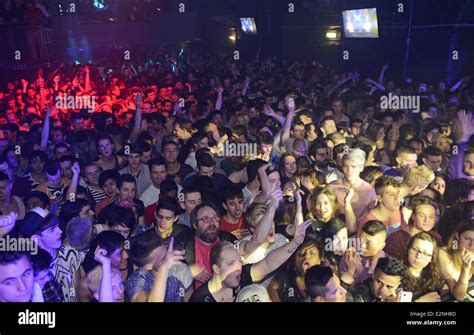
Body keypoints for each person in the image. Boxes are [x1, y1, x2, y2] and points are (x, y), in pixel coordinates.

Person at [189, 218, 311, 302]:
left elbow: (268, 263)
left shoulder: (242, 276)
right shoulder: (199, 298)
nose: (238, 267)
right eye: (231, 263)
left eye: (239, 261)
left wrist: (295, 243)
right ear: (216, 268)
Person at [124, 233, 193, 302]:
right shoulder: (135, 281)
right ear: (148, 266)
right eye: (163, 259)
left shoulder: (180, 269)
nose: (169, 258)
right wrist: (164, 268)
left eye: (167, 250)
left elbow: (189, 298)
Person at [328, 149, 376, 222]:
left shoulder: (369, 190)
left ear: (361, 168)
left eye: (353, 167)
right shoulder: (332, 187)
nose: (349, 170)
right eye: (346, 166)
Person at [340, 220, 387, 286]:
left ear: (382, 246)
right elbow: (343, 289)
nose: (362, 246)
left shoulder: (387, 264)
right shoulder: (349, 257)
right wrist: (350, 271)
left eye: (368, 243)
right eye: (361, 239)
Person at [402, 232, 444, 302]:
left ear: (432, 258)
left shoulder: (433, 275)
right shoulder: (396, 273)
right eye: (415, 249)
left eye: (425, 253)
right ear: (408, 249)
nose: (418, 256)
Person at [438, 220, 474, 301]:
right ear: (457, 236)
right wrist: (465, 268)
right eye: (467, 239)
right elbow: (458, 295)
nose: (471, 245)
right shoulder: (444, 253)